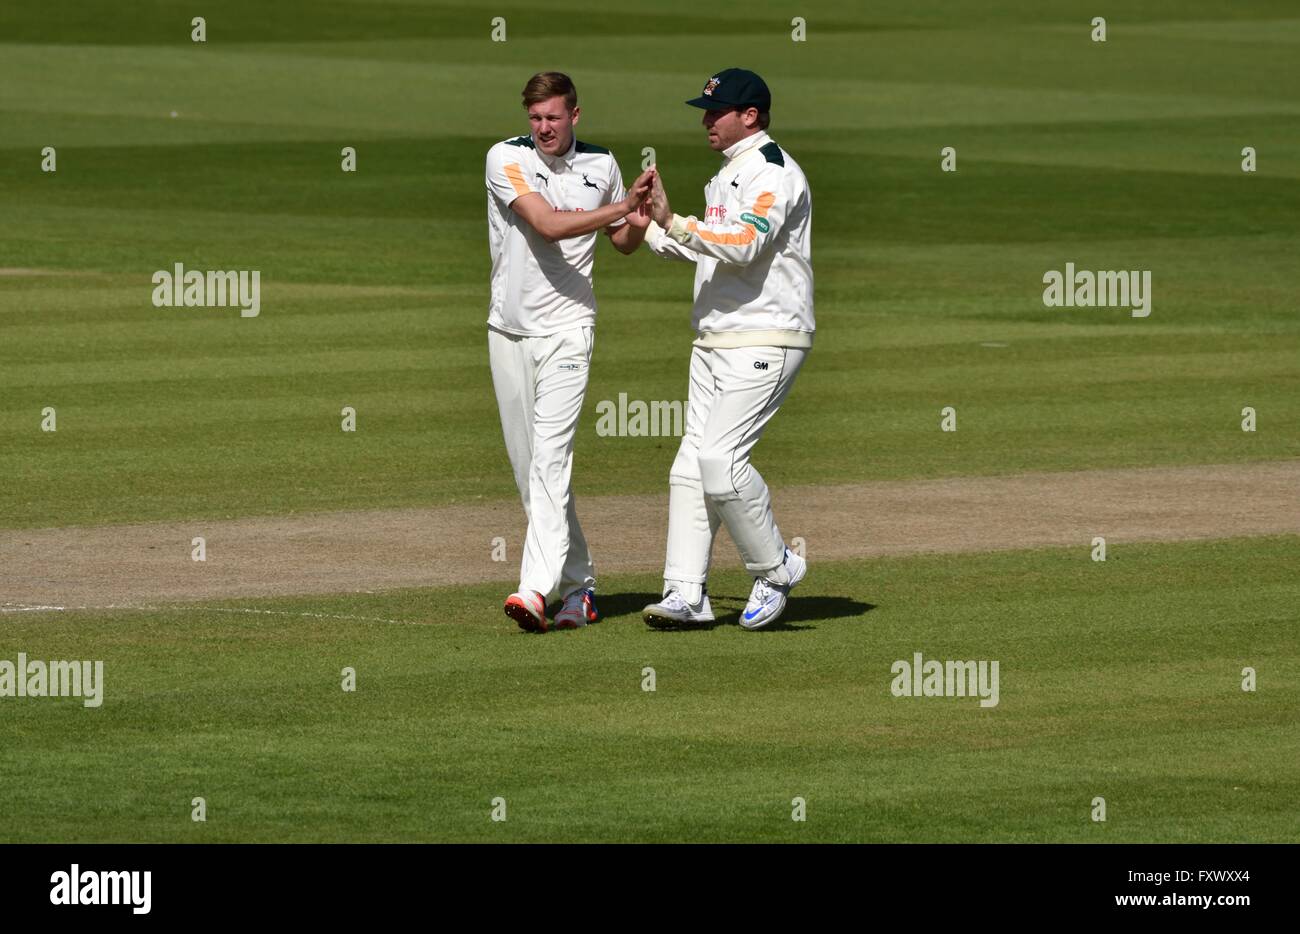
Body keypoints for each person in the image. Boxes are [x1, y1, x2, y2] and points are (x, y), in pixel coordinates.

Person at [641, 68, 814, 630]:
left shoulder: (773, 173)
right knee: (691, 465)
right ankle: (686, 594)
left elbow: (743, 245)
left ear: (752, 116)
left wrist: (676, 221)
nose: (705, 121)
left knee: (720, 460)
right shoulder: (729, 173)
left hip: (765, 336)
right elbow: (710, 250)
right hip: (715, 337)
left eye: (717, 112)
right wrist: (644, 224)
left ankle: (776, 565)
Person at [485, 71, 655, 632]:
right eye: (535, 118)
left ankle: (534, 589)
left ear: (574, 115)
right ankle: (580, 589)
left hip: (569, 330)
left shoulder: (600, 164)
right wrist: (620, 207)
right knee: (529, 471)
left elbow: (624, 243)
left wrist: (639, 216)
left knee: (551, 463)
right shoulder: (505, 157)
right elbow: (547, 225)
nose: (543, 128)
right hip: (508, 332)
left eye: (553, 117)